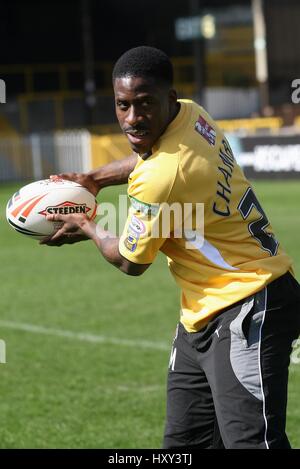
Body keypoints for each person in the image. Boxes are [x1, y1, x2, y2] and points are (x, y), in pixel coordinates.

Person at [42, 46, 300, 449]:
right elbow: (152, 156)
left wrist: (88, 226)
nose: (132, 118)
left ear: (169, 98)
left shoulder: (163, 178)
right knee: (183, 446)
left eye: (145, 104)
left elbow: (130, 261)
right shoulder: (192, 115)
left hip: (249, 303)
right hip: (202, 312)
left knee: (253, 444)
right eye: (123, 105)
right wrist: (95, 177)